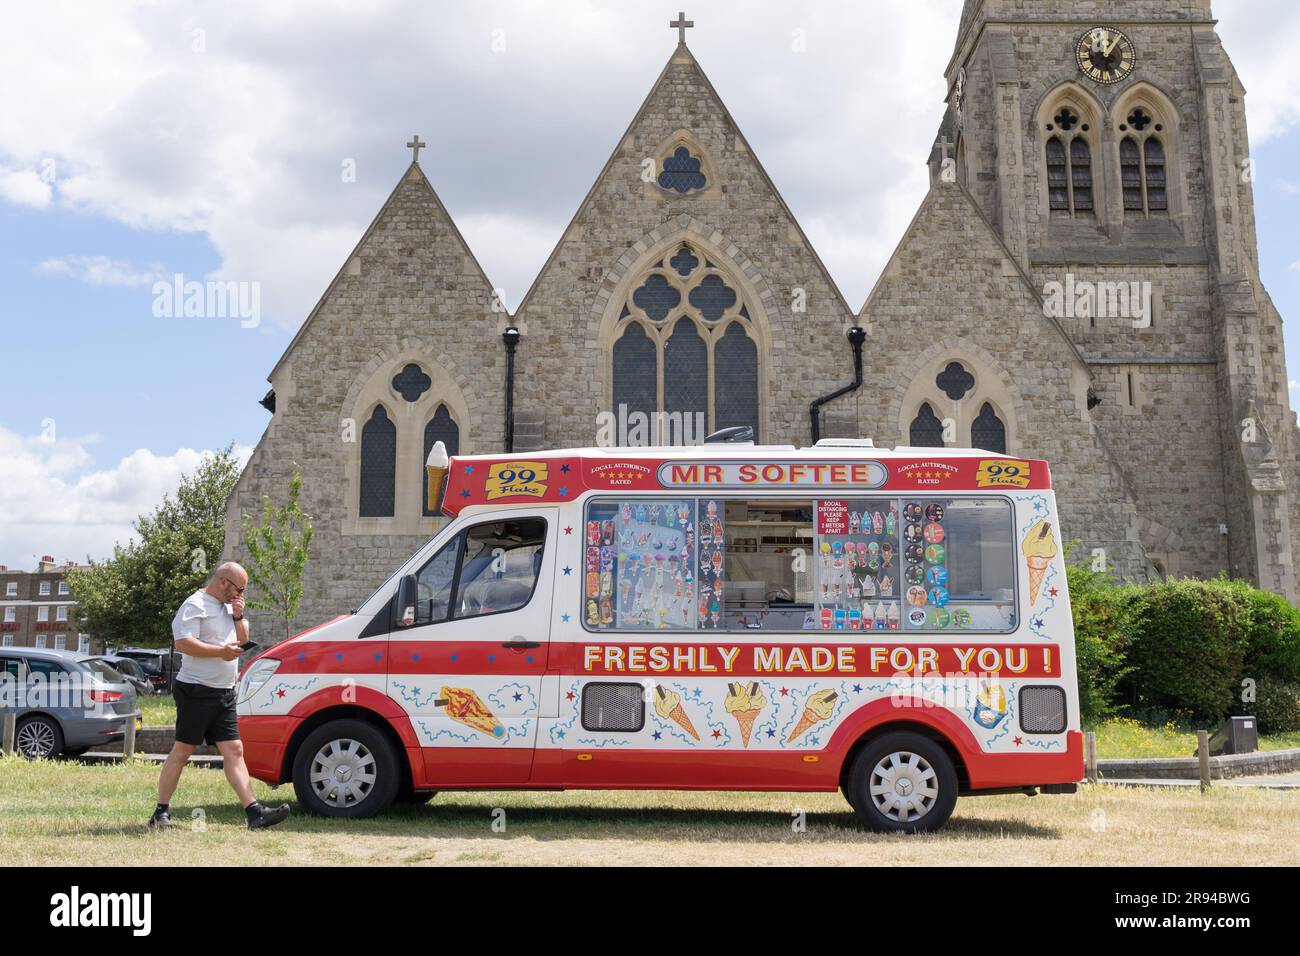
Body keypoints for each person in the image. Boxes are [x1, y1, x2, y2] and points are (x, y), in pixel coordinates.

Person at [148, 562, 289, 830]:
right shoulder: (195, 604)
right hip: (196, 690)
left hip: (224, 691)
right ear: (224, 582)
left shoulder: (229, 607)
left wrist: (238, 617)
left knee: (234, 750)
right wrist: (219, 652)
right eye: (239, 590)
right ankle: (160, 812)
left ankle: (254, 813)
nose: (241, 596)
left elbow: (243, 638)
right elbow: (183, 643)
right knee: (183, 750)